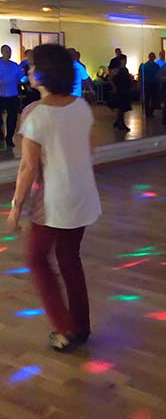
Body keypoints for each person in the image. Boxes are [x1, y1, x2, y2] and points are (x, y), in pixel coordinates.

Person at [7, 44, 101, 352]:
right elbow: (90, 150)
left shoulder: (35, 113)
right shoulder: (82, 106)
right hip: (82, 194)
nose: (29, 71)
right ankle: (81, 325)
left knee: (36, 259)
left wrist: (16, 206)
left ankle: (66, 327)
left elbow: (28, 167)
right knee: (69, 258)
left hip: (55, 201)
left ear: (45, 72)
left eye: (33, 66)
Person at [0, 45, 22, 148]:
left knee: (12, 118)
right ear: (2, 52)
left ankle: (9, 138)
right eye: (6, 51)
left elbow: (20, 78)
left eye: (9, 51)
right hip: (1, 95)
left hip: (13, 94)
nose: (8, 53)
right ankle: (1, 135)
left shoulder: (15, 66)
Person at [110, 55, 131, 132]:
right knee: (121, 107)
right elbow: (110, 78)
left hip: (125, 90)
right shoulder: (117, 70)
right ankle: (121, 124)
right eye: (124, 60)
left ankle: (118, 122)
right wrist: (114, 87)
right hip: (120, 90)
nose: (125, 61)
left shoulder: (125, 69)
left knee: (123, 108)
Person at [139, 52, 160, 118]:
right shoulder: (155, 66)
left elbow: (141, 75)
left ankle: (148, 112)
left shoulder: (145, 65)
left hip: (149, 84)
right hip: (151, 84)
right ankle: (149, 112)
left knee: (149, 99)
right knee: (152, 99)